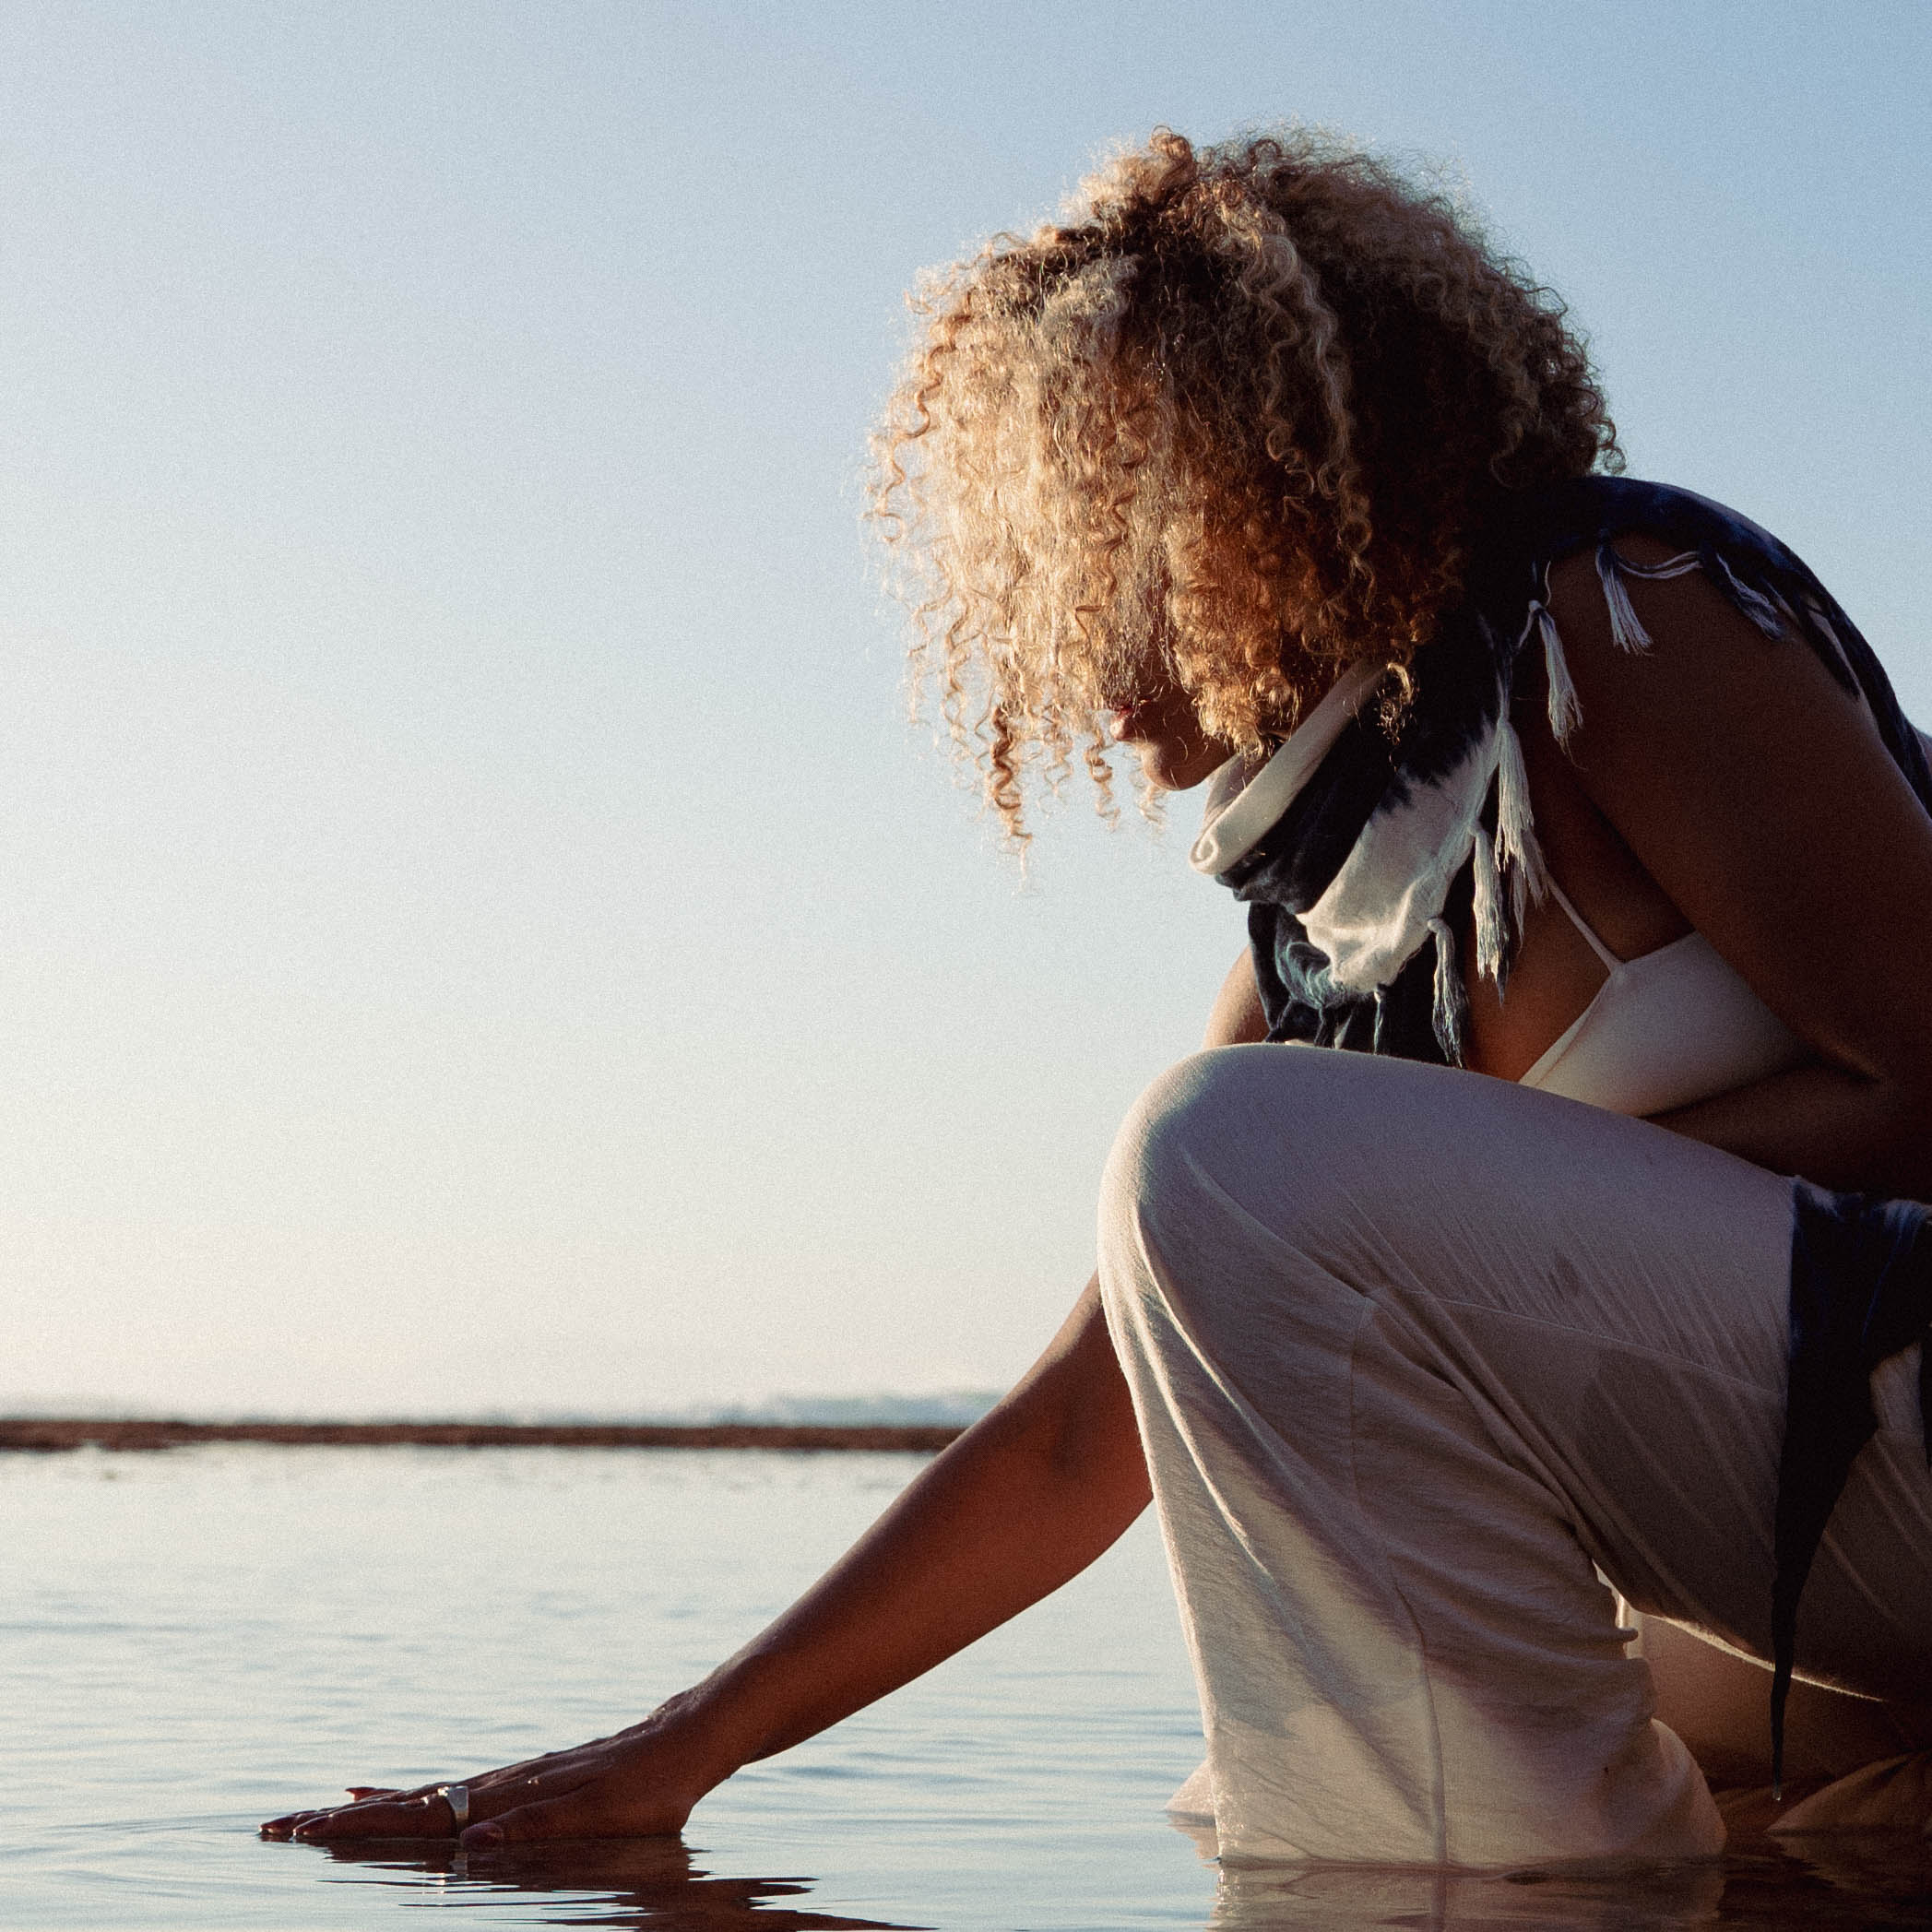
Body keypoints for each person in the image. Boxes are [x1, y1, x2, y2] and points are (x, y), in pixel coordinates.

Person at [263, 128, 1932, 1868]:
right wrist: (669, 1760)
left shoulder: (1621, 622)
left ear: (1281, 487)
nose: (1067, 647)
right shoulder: (1315, 951)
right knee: (1321, 1724)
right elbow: (1076, 1435)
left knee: (1224, 1154)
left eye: (1105, 548)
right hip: (1800, 1553)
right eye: (1035, 575)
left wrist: (1472, 1227)